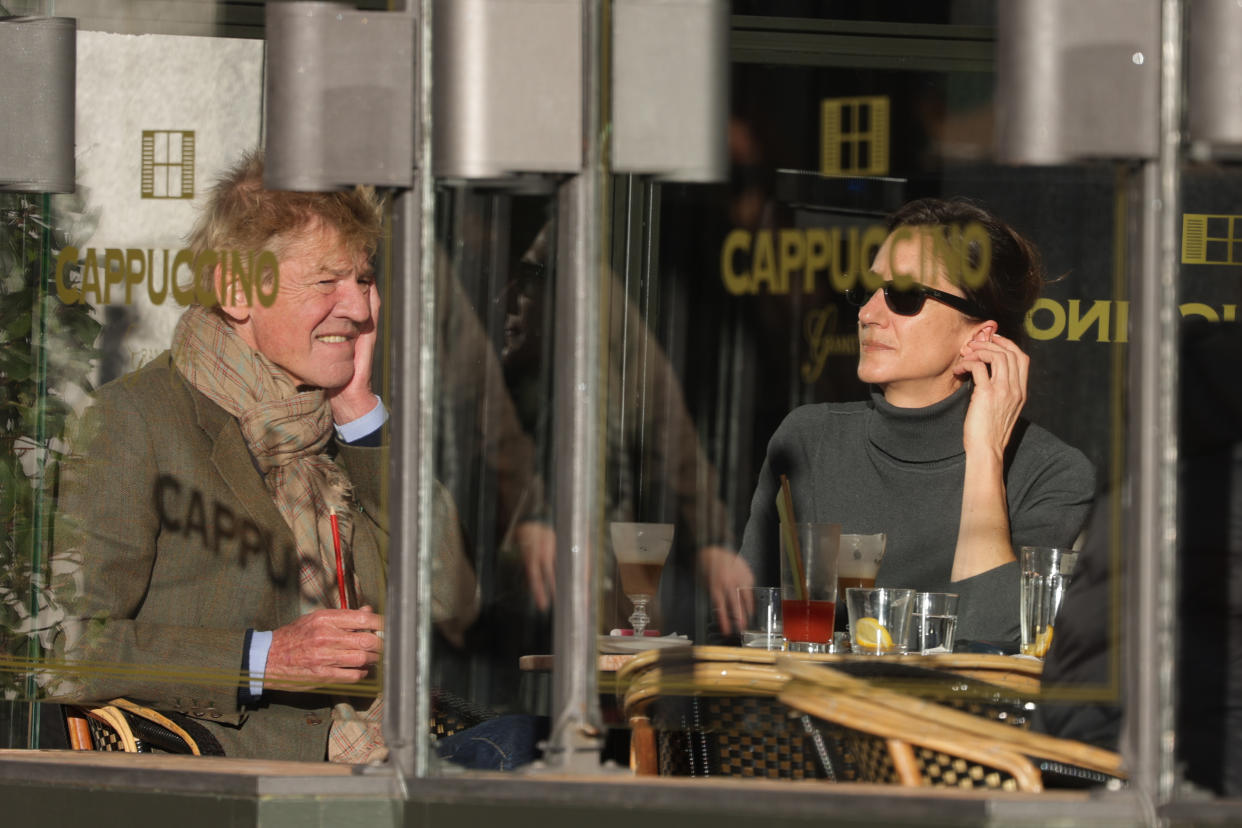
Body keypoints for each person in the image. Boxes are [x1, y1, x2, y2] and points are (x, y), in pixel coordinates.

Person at [49, 150, 473, 762]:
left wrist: (359, 414)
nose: (358, 309)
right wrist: (260, 659)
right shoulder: (134, 420)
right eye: (326, 281)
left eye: (363, 278)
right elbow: (68, 644)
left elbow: (449, 599)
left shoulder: (340, 423)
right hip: (237, 779)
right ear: (238, 290)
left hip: (388, 759)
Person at [736, 198, 1095, 643]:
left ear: (979, 337)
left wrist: (985, 456)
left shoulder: (1051, 473)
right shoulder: (810, 440)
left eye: (904, 295)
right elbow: (744, 629)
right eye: (866, 291)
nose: (868, 314)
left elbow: (987, 644)